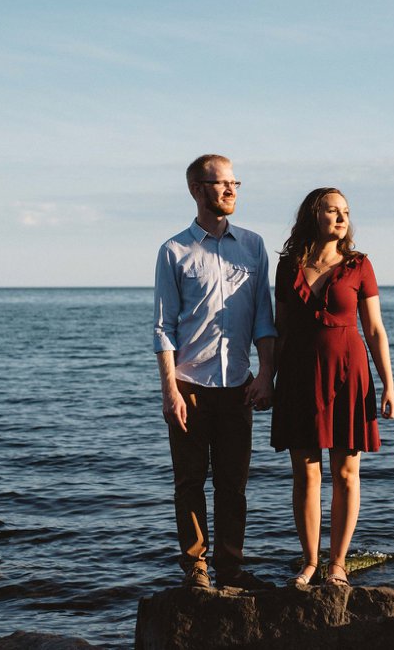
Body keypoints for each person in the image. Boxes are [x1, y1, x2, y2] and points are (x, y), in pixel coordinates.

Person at [153, 154, 276, 590]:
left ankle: (230, 568)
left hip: (238, 386)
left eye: (235, 183)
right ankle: (196, 568)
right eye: (221, 183)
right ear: (196, 189)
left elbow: (265, 317)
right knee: (188, 483)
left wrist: (266, 375)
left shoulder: (254, 246)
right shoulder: (174, 250)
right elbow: (164, 327)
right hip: (190, 387)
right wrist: (170, 390)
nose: (230, 191)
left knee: (233, 486)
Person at [271, 187, 394, 587]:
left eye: (345, 211)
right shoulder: (289, 265)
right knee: (305, 473)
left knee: (346, 473)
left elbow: (375, 330)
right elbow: (279, 328)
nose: (341, 217)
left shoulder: (359, 265)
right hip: (298, 376)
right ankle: (310, 562)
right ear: (314, 215)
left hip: (349, 374)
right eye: (332, 210)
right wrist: (266, 377)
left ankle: (338, 565)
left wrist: (388, 384)